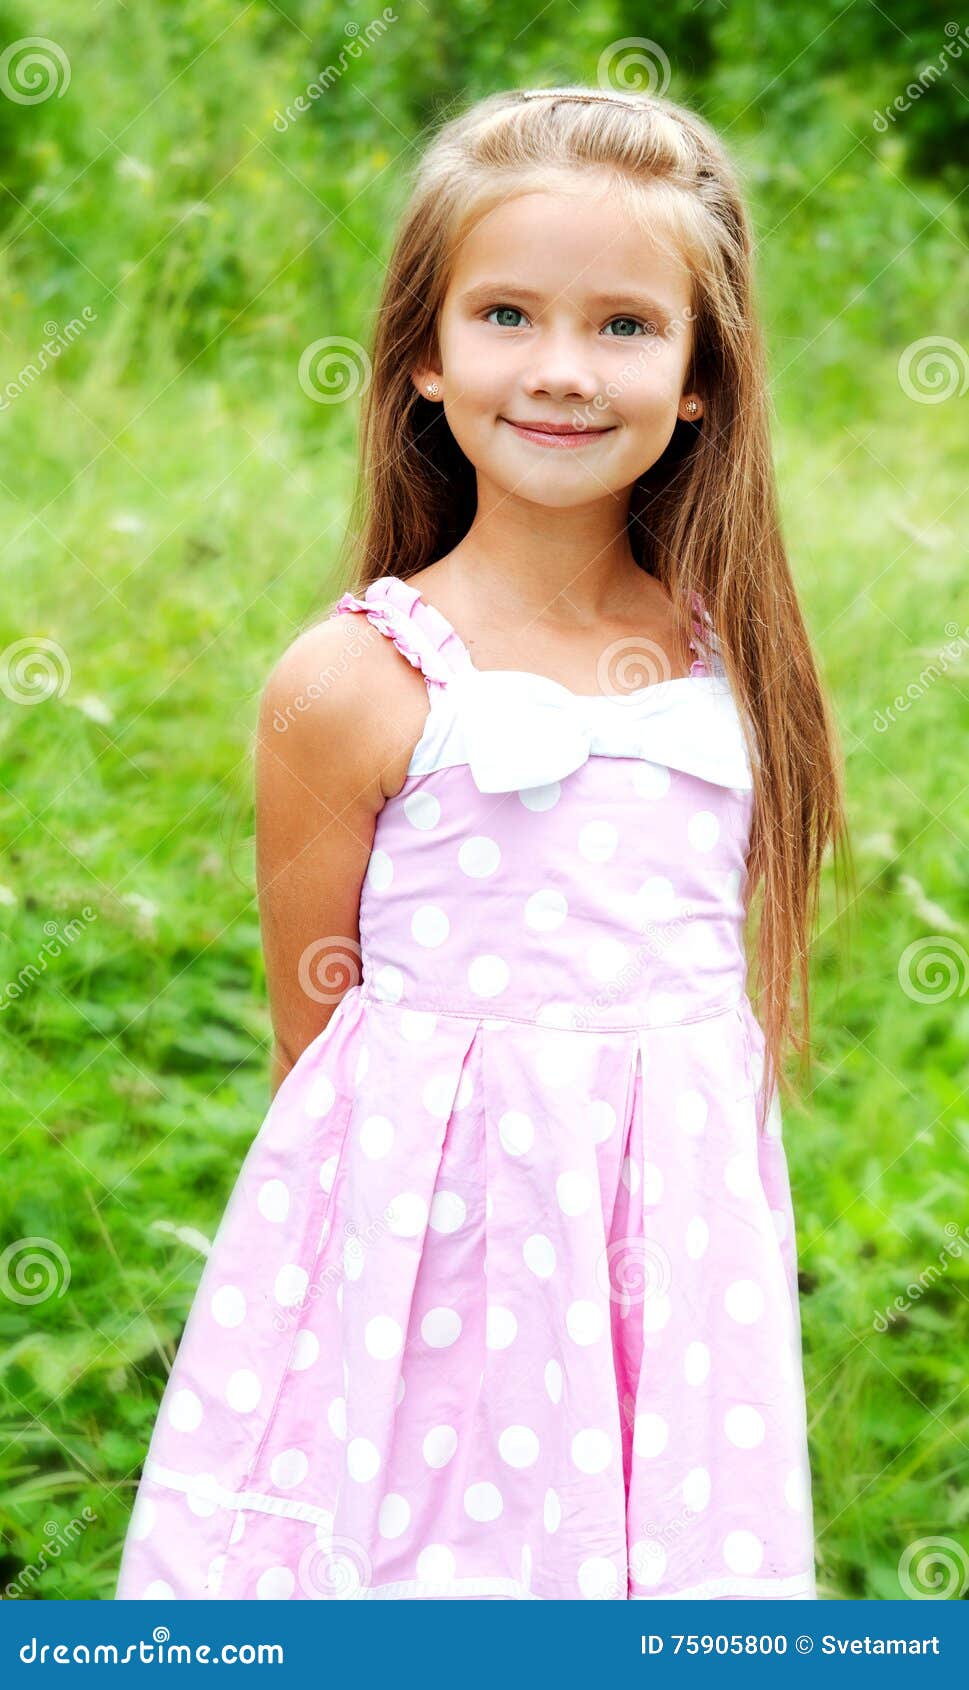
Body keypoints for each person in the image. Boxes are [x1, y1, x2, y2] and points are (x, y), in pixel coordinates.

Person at [115, 84, 849, 1602]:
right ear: (425, 360)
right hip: (423, 1289)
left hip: (671, 1298)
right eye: (507, 314)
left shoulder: (735, 669)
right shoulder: (355, 681)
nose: (562, 371)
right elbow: (322, 1055)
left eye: (625, 327)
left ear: (703, 373)